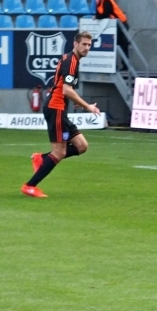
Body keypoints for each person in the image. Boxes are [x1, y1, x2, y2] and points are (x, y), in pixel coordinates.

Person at [22, 32, 102, 198]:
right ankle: (30, 186)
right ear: (75, 44)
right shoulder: (71, 61)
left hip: (59, 108)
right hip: (56, 108)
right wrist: (87, 106)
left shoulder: (71, 60)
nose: (87, 48)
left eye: (89, 45)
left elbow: (63, 88)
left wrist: (76, 102)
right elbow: (66, 89)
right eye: (84, 44)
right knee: (59, 152)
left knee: (81, 146)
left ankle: (41, 158)